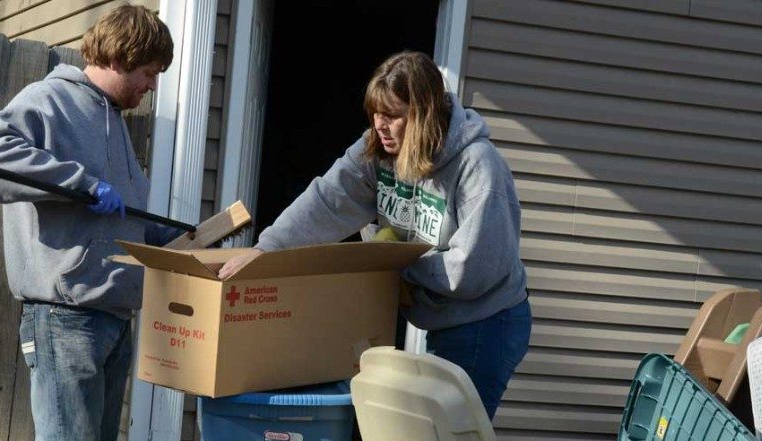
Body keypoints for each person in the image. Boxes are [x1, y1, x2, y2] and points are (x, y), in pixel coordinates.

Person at [219, 51, 530, 417]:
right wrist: (266, 251)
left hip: (487, 322)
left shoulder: (477, 166)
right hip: (444, 317)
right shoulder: (377, 152)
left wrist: (394, 266)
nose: (380, 125)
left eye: (393, 115)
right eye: (375, 113)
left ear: (424, 114)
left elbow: (474, 269)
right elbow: (326, 201)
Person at [0, 5, 178, 441]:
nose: (152, 86)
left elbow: (128, 222)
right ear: (121, 56)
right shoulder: (51, 100)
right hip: (65, 316)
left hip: (111, 317)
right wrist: (80, 183)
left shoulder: (114, 126)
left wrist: (189, 240)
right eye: (150, 73)